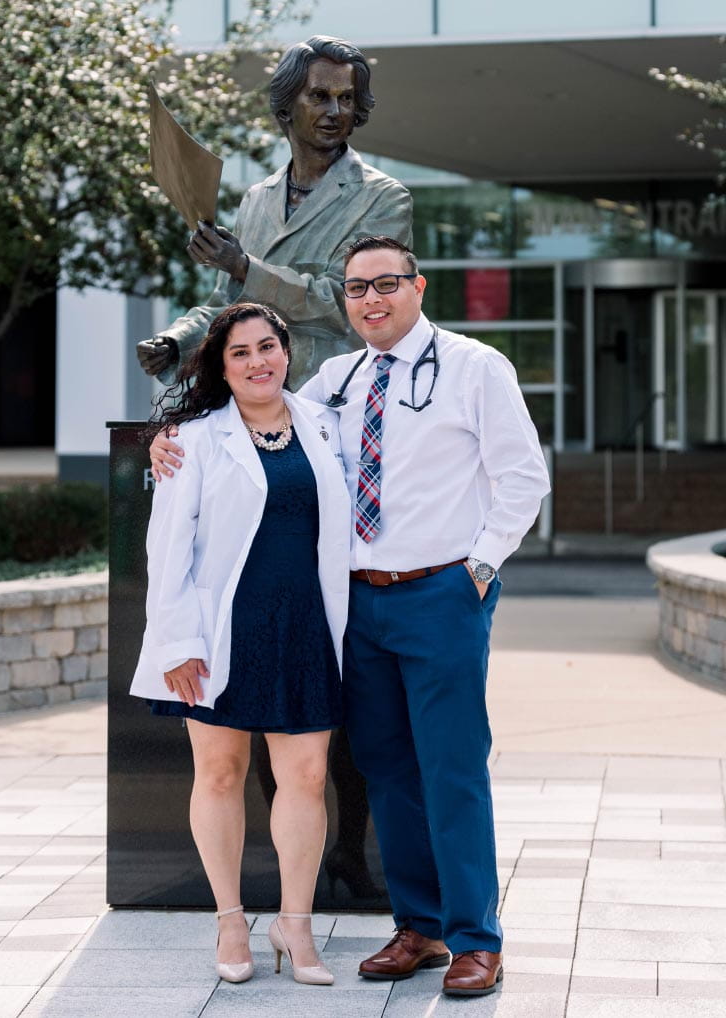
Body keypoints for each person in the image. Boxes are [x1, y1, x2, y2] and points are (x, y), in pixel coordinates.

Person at [150, 237, 551, 999]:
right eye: (357, 288)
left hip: (440, 594)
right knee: (386, 768)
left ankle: (476, 937)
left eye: (386, 283)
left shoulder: (475, 367)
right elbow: (253, 419)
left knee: (452, 767)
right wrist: (169, 440)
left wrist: (479, 568)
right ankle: (419, 927)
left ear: (418, 287)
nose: (372, 299)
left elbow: (523, 477)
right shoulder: (336, 379)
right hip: (356, 603)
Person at [130, 302, 350, 987]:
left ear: (287, 351)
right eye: (240, 353)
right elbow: (167, 549)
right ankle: (230, 921)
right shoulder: (193, 440)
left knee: (306, 776)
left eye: (267, 347)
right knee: (221, 772)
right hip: (219, 629)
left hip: (306, 624)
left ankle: (295, 923)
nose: (258, 362)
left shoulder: (326, 424)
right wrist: (176, 642)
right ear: (221, 369)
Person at [136, 35, 412, 389]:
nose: (335, 111)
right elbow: (228, 305)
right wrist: (176, 342)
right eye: (319, 96)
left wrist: (244, 267)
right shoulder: (257, 199)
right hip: (256, 395)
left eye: (346, 98)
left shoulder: (383, 198)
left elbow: (347, 303)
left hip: (336, 395)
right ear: (285, 108)